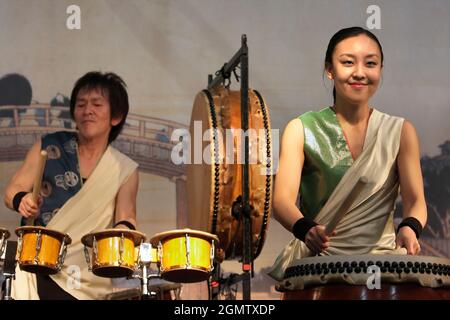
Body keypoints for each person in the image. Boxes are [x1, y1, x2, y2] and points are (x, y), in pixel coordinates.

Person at [269, 27, 427, 281]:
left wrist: (410, 227)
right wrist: (306, 229)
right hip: (319, 267)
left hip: (381, 268)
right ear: (329, 70)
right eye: (348, 62)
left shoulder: (400, 131)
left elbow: (416, 200)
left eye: (371, 63)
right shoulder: (300, 129)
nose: (360, 73)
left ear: (380, 70)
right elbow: (282, 202)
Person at [4, 72, 139, 299]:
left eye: (97, 104)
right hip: (39, 264)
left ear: (115, 116)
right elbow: (11, 191)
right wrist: (22, 200)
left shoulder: (124, 169)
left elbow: (127, 216)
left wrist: (124, 230)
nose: (87, 111)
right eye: (81, 104)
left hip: (88, 278)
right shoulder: (48, 146)